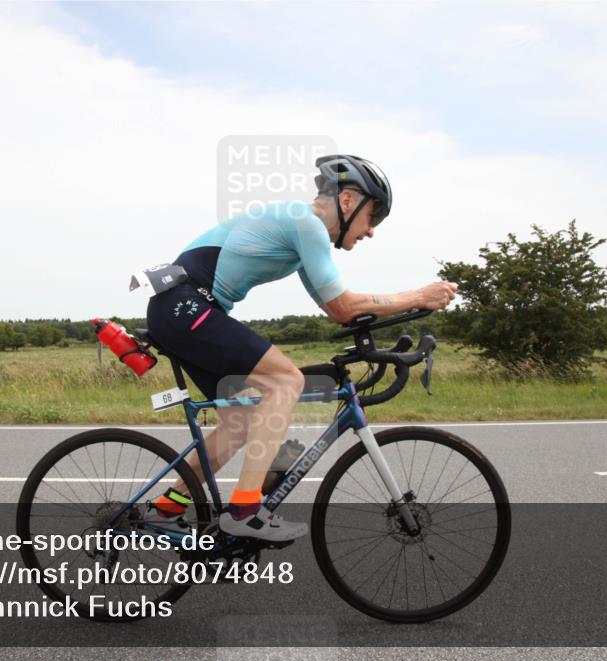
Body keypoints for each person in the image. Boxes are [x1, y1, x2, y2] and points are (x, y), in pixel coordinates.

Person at [144, 155, 458, 542]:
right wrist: (418, 296)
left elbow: (337, 310)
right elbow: (344, 305)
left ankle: (167, 507)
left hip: (182, 307)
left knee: (244, 419)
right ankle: (244, 511)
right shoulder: (305, 223)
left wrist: (396, 321)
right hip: (186, 306)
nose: (371, 231)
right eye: (372, 216)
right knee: (286, 381)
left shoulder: (302, 233)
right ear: (347, 200)